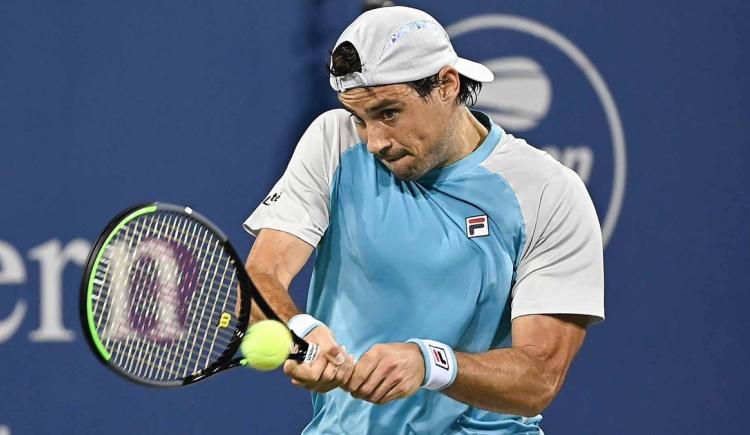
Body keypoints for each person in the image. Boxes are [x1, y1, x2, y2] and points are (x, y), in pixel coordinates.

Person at [243, 6, 604, 434]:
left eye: (389, 113)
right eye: (360, 118)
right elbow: (262, 276)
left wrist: (431, 363)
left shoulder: (547, 191)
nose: (374, 141)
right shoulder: (332, 142)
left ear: (447, 85)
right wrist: (300, 332)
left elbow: (538, 378)